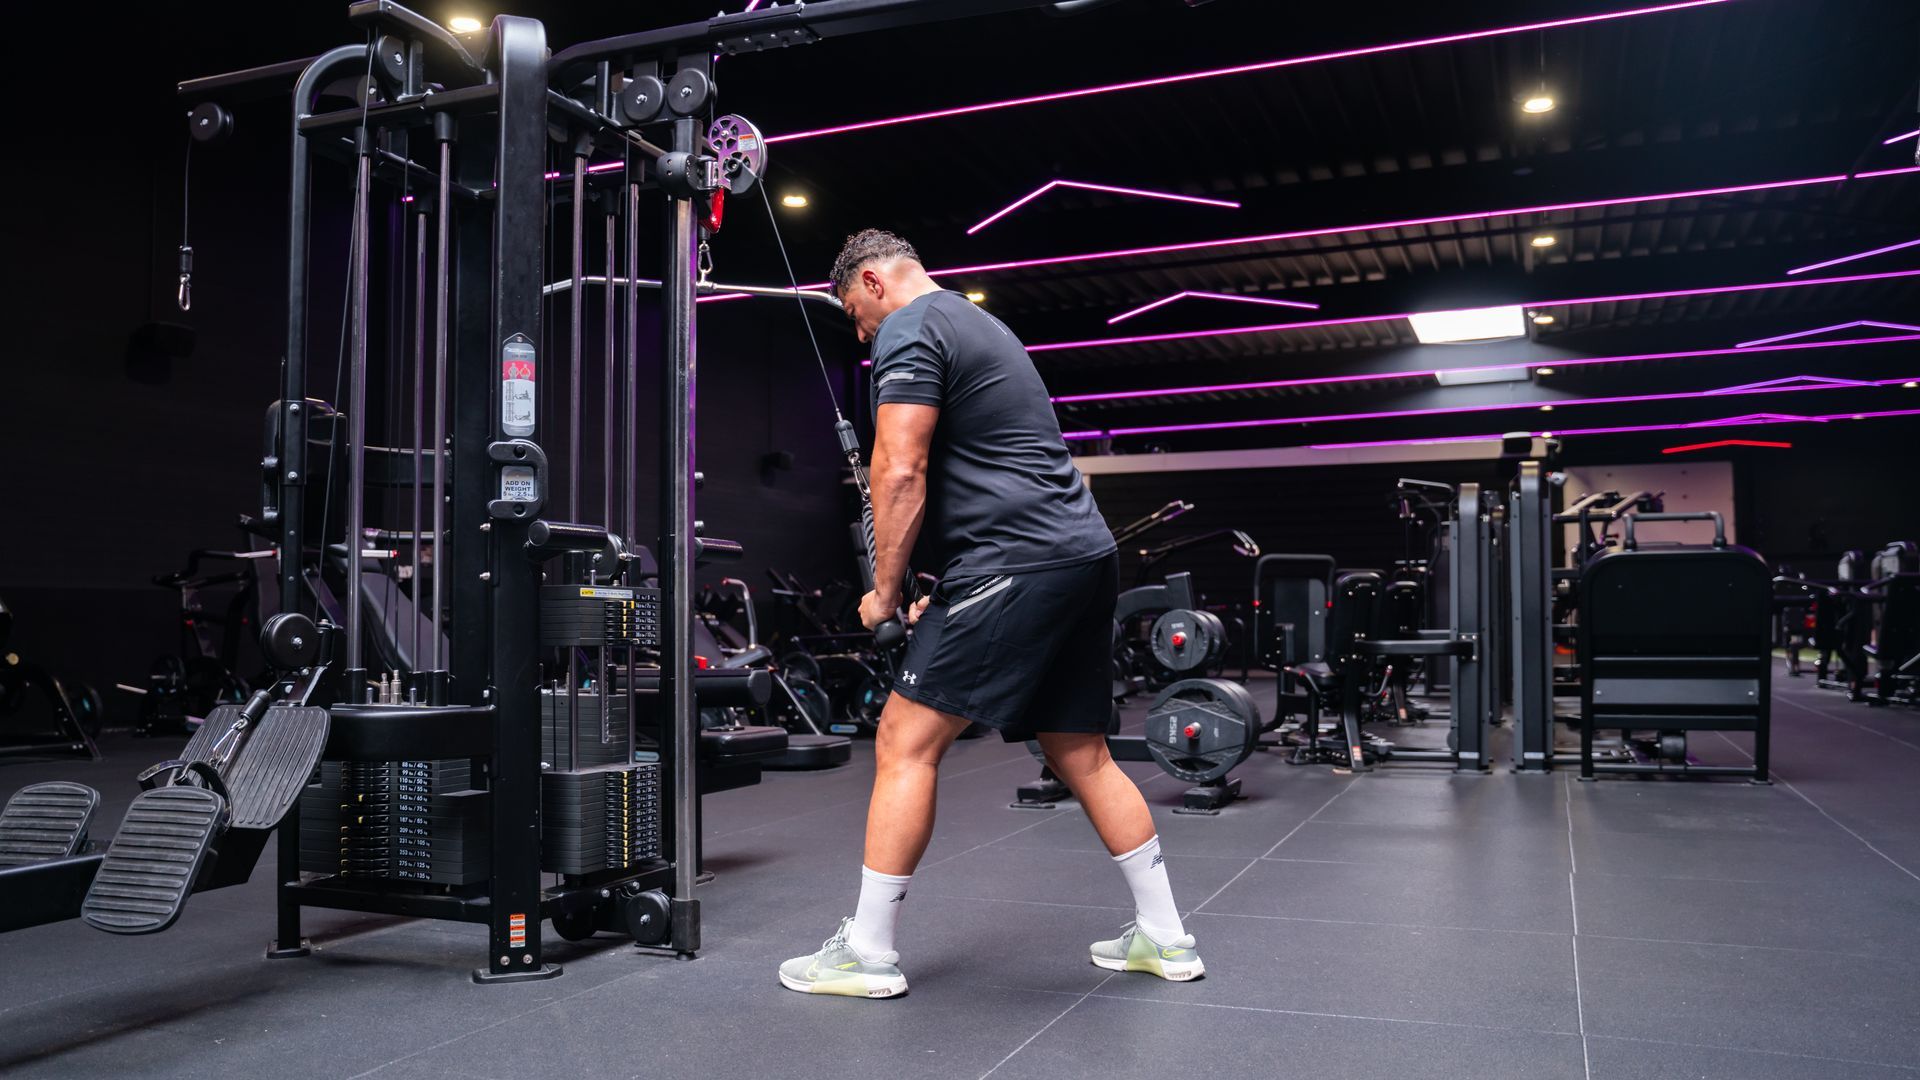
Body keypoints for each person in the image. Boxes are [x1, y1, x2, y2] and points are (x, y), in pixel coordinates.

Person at [778, 229, 1205, 999]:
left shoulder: (910, 325)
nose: (862, 335)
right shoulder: (980, 324)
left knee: (904, 738)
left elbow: (899, 465)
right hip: (1077, 552)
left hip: (1018, 559)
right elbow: (986, 469)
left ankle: (868, 953)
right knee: (1081, 753)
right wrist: (942, 580)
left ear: (873, 282)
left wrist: (884, 587)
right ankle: (1168, 938)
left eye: (855, 316)